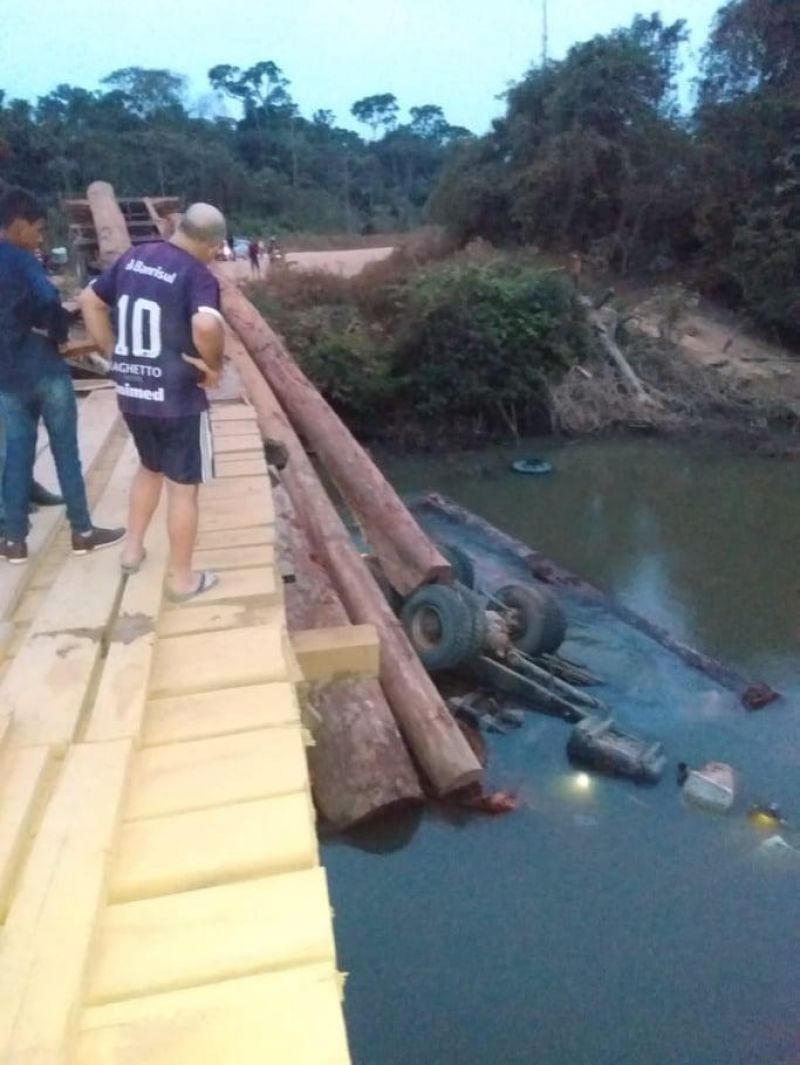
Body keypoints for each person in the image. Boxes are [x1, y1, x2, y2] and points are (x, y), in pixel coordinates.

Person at [79, 203, 226, 601]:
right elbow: (205, 324)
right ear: (212, 245)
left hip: (134, 392)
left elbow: (90, 301)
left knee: (149, 468)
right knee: (183, 489)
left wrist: (114, 355)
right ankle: (182, 581)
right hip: (178, 399)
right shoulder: (197, 274)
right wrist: (214, 365)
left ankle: (131, 551)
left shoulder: (134, 256)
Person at [0, 187, 124, 564]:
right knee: (65, 450)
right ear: (18, 224)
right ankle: (82, 532)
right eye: (37, 229)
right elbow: (46, 300)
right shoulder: (22, 261)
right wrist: (58, 333)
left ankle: (14, 541)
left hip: (7, 376)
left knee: (17, 454)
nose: (39, 237)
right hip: (45, 371)